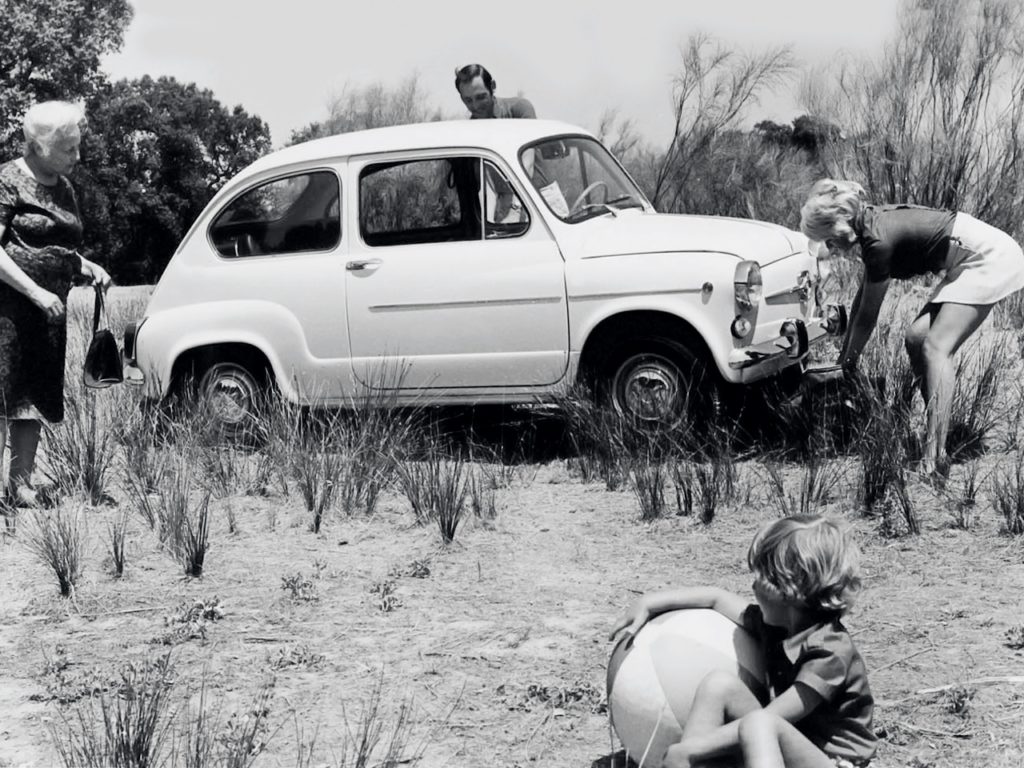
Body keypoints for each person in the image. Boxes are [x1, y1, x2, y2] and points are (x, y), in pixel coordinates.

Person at [609, 515, 877, 768]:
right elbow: (715, 598)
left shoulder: (830, 652)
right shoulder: (778, 626)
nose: (752, 587)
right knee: (719, 685)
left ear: (789, 590)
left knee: (760, 724)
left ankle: (691, 758)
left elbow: (774, 718)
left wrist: (691, 749)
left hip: (836, 763)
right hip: (793, 746)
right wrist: (649, 602)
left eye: (761, 579)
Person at [800, 179, 1024, 475]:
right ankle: (937, 422)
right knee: (916, 338)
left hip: (988, 257)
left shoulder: (878, 241)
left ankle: (935, 458)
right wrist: (845, 359)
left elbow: (868, 315)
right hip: (967, 258)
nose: (831, 247)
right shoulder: (871, 225)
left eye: (828, 238)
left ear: (839, 223)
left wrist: (848, 364)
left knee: (935, 348)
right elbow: (860, 301)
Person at [0, 100, 111, 508]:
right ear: (37, 145)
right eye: (68, 148)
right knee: (3, 393)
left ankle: (20, 484)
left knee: (33, 395)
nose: (77, 156)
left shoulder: (64, 188)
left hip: (48, 312)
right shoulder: (7, 180)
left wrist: (85, 264)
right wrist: (34, 291)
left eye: (77, 146)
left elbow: (55, 245)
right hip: (8, 310)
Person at [454, 63, 536, 119]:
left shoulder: (519, 109)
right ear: (462, 99)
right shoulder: (466, 131)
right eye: (468, 100)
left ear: (492, 86)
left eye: (481, 97)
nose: (476, 106)